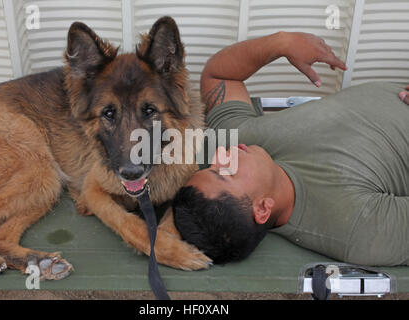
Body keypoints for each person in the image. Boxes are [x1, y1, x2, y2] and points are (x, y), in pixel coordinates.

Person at [172, 31, 409, 266]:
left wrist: (281, 43)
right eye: (225, 172)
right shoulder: (359, 229)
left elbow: (219, 75)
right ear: (263, 208)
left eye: (212, 165)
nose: (221, 155)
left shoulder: (242, 140)